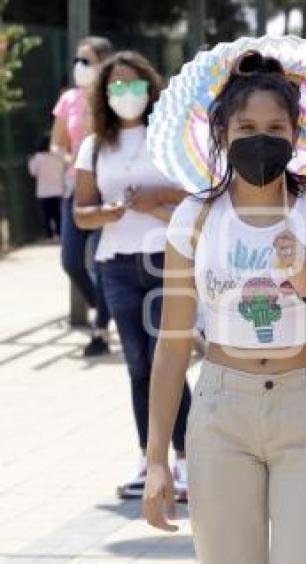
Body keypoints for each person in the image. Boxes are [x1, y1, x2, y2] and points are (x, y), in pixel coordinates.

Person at [142, 50, 306, 564]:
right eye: (246, 125)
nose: (261, 138)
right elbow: (171, 341)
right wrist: (158, 457)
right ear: (223, 133)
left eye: (276, 126)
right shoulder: (195, 216)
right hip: (221, 410)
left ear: (297, 136)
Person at [73, 51, 192, 500]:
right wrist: (110, 211)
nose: (127, 94)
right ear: (104, 95)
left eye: (134, 84)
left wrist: (155, 196)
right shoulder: (94, 146)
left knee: (170, 360)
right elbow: (81, 213)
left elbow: (195, 193)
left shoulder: (169, 138)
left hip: (165, 259)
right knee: (139, 365)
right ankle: (149, 457)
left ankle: (188, 459)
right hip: (117, 263)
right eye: (116, 87)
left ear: (150, 87)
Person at [52, 36, 114, 356]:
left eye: (87, 61)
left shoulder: (115, 99)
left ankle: (101, 330)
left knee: (103, 260)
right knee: (71, 260)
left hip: (108, 188)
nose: (80, 67)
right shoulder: (68, 100)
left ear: (104, 62)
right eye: (77, 60)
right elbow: (57, 143)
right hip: (76, 186)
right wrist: (67, 160)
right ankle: (106, 303)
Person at [28, 134, 64, 240]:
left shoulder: (38, 157)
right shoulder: (59, 155)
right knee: (58, 213)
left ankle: (48, 234)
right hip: (58, 189)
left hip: (44, 191)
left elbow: (32, 172)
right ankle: (59, 232)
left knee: (47, 214)